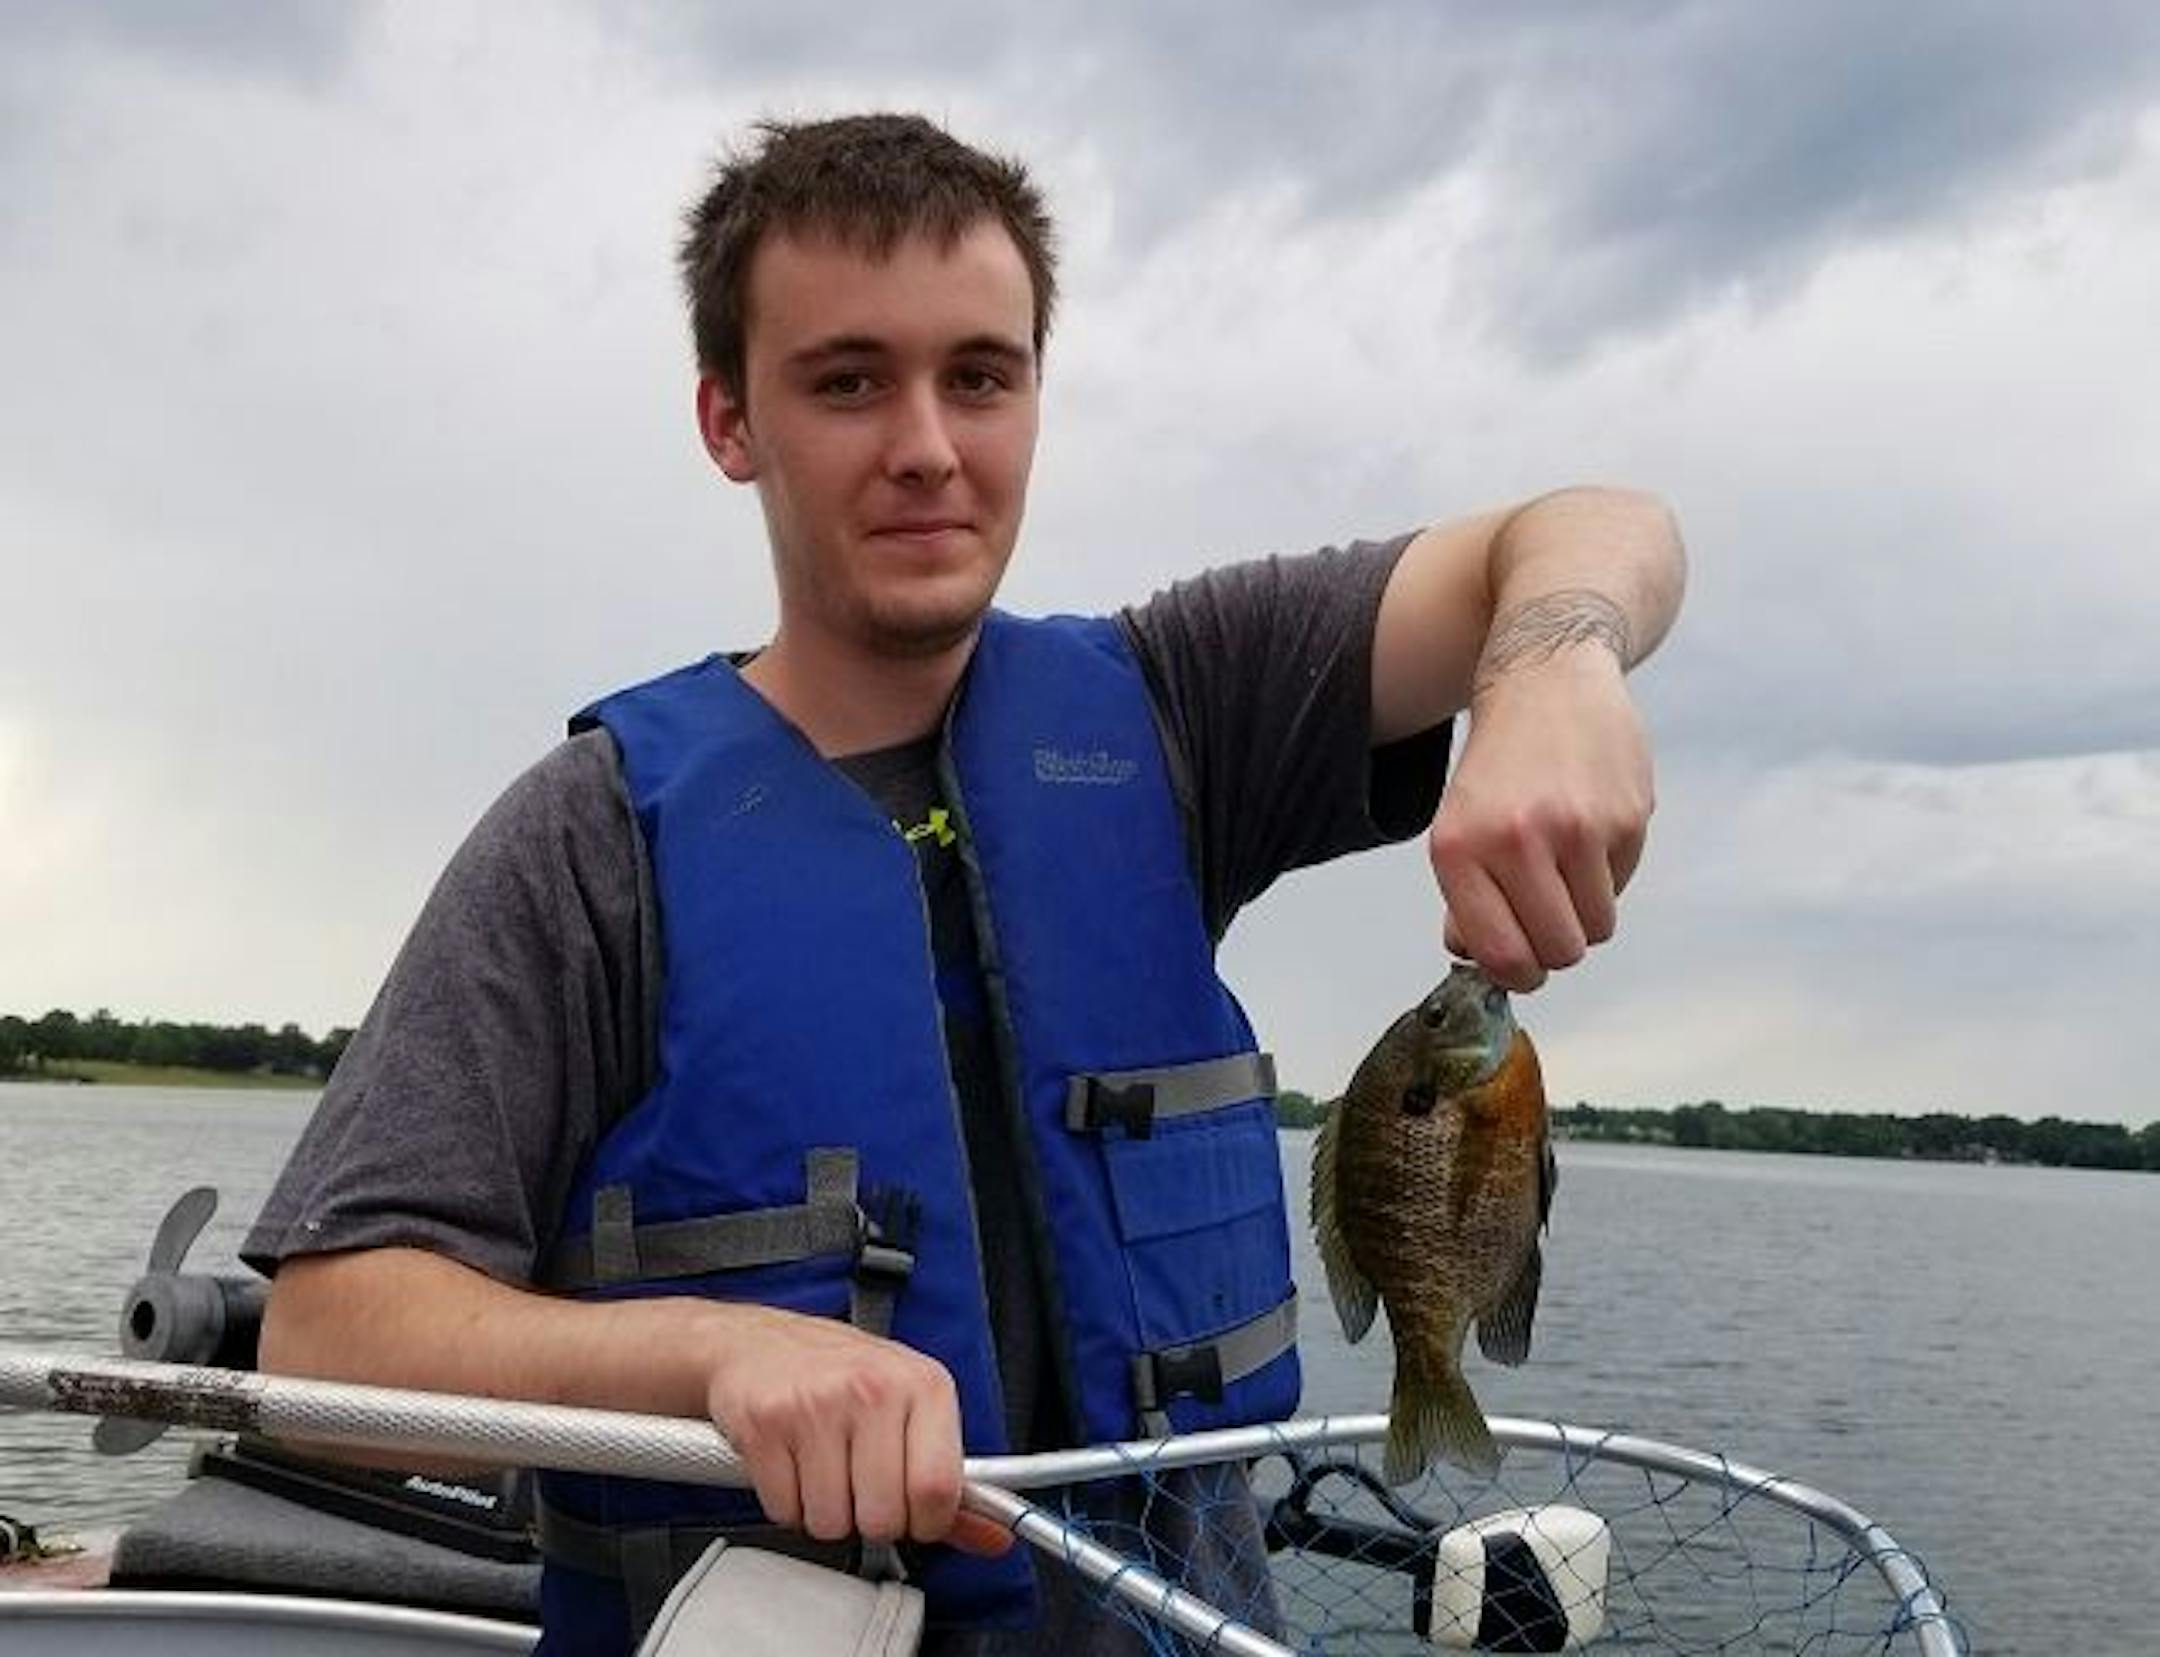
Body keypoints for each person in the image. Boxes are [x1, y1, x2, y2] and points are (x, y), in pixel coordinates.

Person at [244, 112, 1685, 1654]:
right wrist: (709, 1355)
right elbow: (324, 1344)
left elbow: (1602, 527)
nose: (928, 443)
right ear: (731, 421)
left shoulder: (1180, 706)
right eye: (849, 379)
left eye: (981, 376)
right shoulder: (593, 843)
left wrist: (1550, 665)